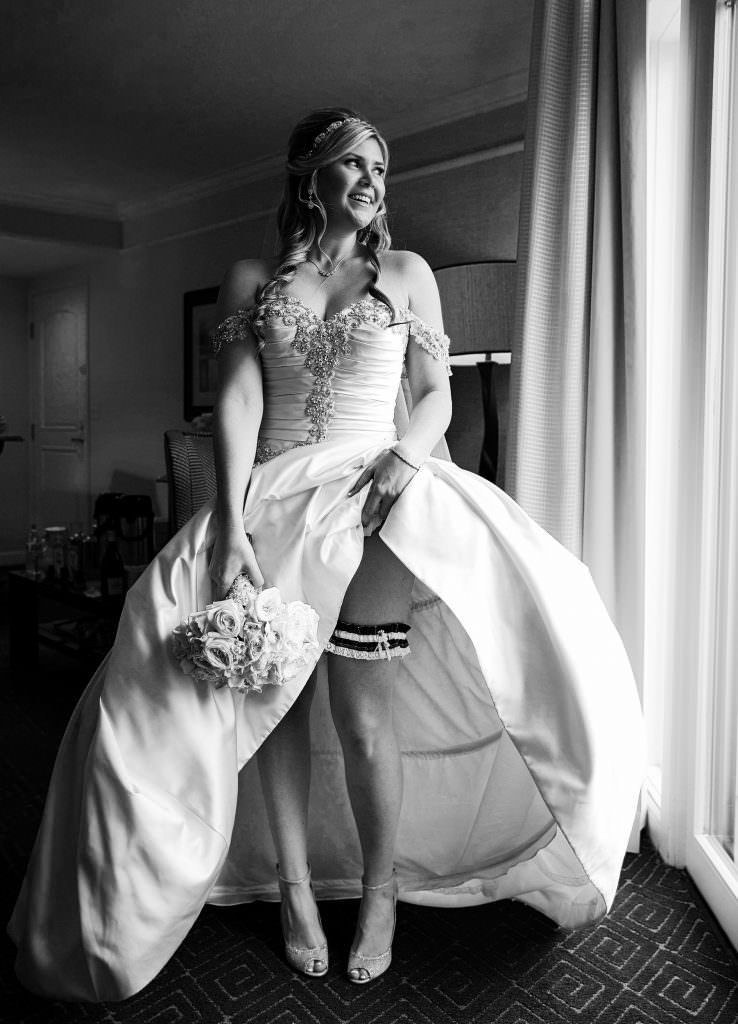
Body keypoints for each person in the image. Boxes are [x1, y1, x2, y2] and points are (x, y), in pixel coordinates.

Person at [8, 109, 645, 1002]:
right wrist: (227, 523)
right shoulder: (251, 278)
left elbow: (435, 399)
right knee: (274, 704)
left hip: (379, 495)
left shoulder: (409, 273)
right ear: (310, 176)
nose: (374, 178)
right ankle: (296, 895)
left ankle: (380, 896)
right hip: (272, 500)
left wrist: (404, 459)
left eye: (381, 164)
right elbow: (235, 406)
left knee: (364, 716)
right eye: (354, 162)